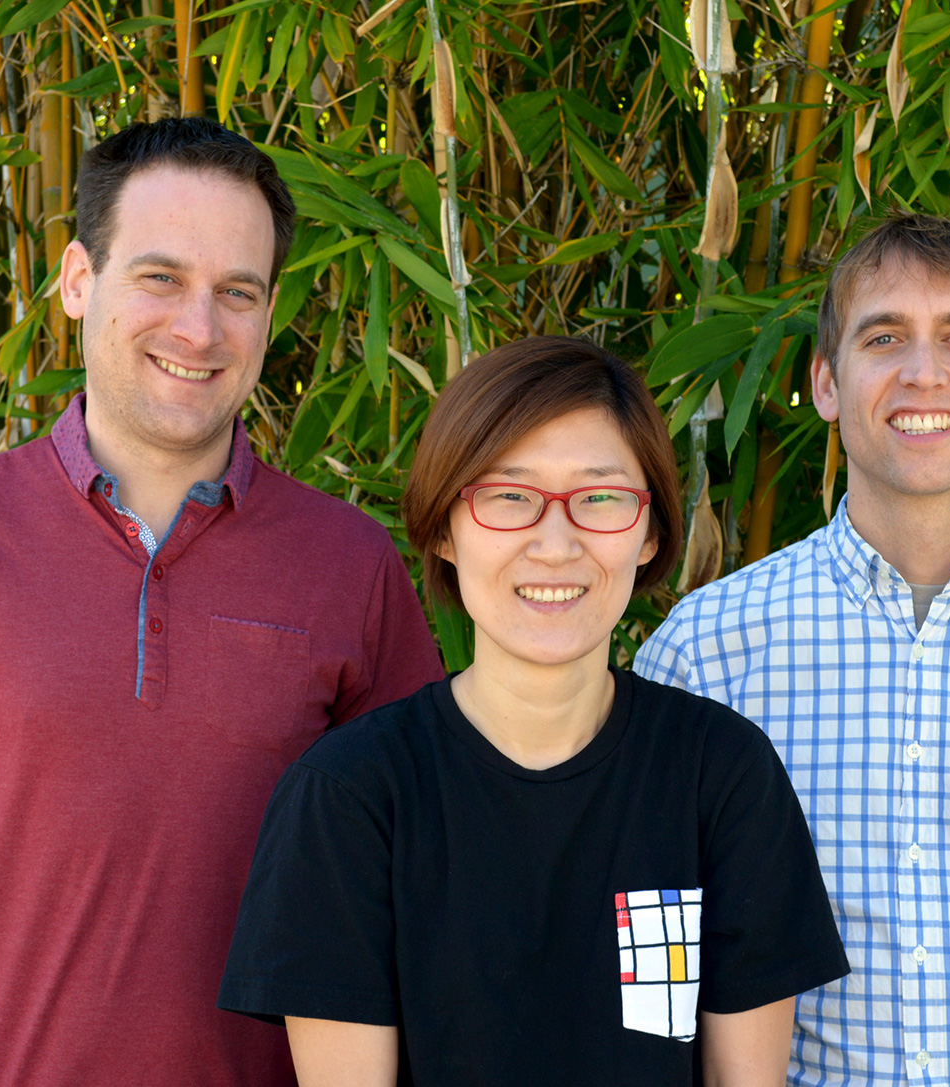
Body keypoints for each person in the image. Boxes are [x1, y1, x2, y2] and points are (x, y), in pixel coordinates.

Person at [0, 118, 442, 1087]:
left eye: (238, 293)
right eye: (161, 278)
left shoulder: (348, 563)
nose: (199, 328)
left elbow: (411, 883)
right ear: (78, 280)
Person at [217, 336, 849, 1086]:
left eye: (600, 498)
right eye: (509, 496)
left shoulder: (721, 776)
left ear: (650, 532)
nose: (556, 544)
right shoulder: (351, 798)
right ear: (445, 528)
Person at [635, 213, 950, 1085]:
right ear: (826, 382)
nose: (921, 372)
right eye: (884, 337)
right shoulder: (705, 653)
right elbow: (656, 983)